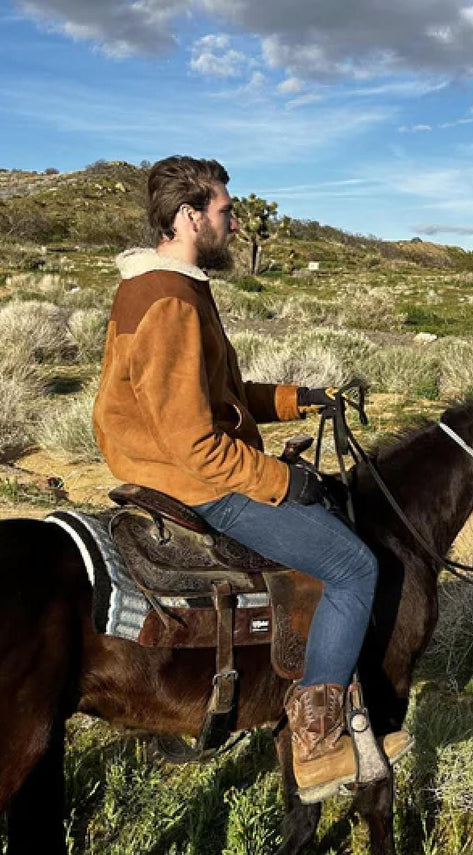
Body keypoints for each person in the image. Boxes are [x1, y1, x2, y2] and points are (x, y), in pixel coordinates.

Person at [93, 155, 407, 798]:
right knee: (354, 568)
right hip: (193, 482)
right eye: (224, 211)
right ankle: (318, 746)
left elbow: (215, 396)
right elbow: (194, 440)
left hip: (168, 464)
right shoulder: (169, 301)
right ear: (190, 217)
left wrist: (297, 399)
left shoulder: (160, 288)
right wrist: (280, 481)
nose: (233, 223)